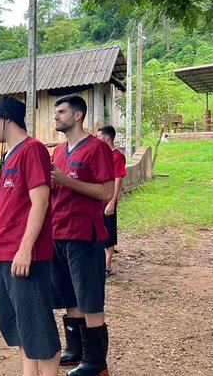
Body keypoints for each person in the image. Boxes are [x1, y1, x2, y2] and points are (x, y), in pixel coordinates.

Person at [0, 96, 61, 376]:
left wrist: (25, 249)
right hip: (2, 253)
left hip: (24, 256)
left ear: (7, 118)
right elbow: (4, 207)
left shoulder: (33, 149)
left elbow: (40, 202)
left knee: (38, 326)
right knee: (19, 325)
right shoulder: (7, 155)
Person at [50, 95, 114, 376]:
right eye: (56, 112)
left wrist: (67, 180)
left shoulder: (96, 149)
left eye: (61, 112)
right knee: (69, 295)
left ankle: (96, 362)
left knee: (89, 297)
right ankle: (75, 350)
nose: (56, 116)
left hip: (83, 234)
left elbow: (106, 192)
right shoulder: (58, 152)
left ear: (78, 115)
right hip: (57, 231)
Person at [96, 125, 127, 277]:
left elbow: (118, 179)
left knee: (109, 232)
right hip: (97, 201)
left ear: (107, 137)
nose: (97, 138)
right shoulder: (101, 155)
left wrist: (112, 201)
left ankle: (107, 265)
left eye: (99, 136)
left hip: (107, 201)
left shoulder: (117, 156)